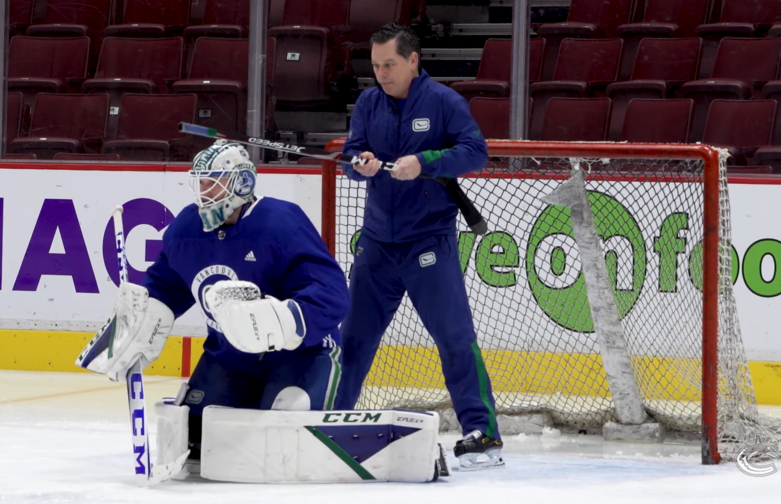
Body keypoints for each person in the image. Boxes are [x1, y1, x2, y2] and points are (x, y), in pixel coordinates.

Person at [79, 139, 350, 463]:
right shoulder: (187, 228)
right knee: (195, 442)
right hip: (229, 358)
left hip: (301, 356)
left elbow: (332, 292)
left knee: (286, 443)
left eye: (214, 181)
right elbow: (167, 283)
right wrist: (140, 317)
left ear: (242, 182)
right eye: (201, 181)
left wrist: (287, 319)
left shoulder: (281, 223)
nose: (204, 189)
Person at [335, 23, 503, 469]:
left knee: (454, 338)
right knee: (351, 339)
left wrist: (426, 161)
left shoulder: (445, 102)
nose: (381, 74)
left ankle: (482, 433)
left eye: (389, 64)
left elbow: (475, 152)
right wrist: (360, 165)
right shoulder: (369, 103)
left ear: (413, 60)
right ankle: (328, 420)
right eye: (375, 66)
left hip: (429, 242)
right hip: (376, 245)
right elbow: (351, 155)